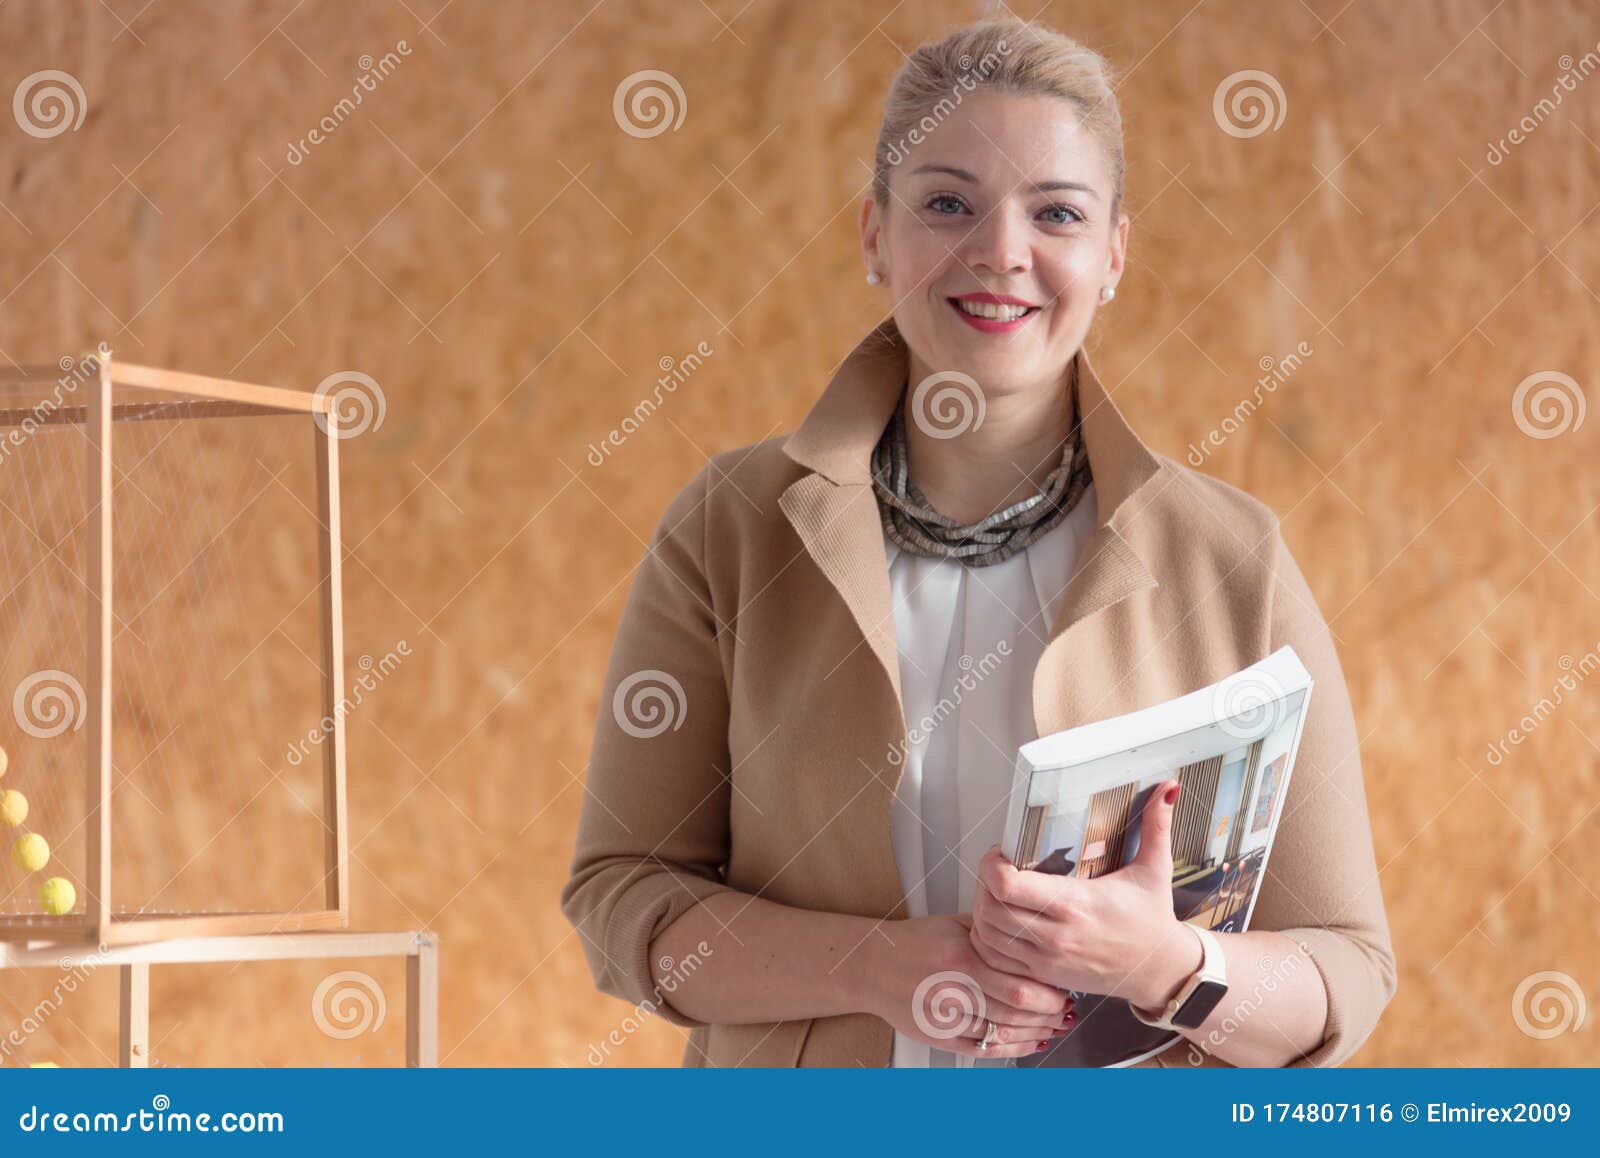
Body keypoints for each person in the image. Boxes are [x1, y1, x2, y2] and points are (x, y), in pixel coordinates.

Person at [561, 16, 1396, 1068]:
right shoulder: (728, 525)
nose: (1001, 251)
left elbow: (1347, 973)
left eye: (1056, 212)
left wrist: (1167, 964)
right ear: (875, 234)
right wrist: (878, 967)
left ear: (1113, 254)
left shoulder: (1230, 557)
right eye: (948, 203)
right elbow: (622, 898)